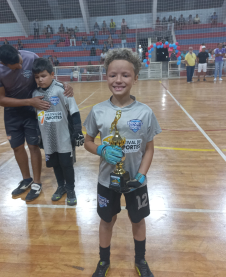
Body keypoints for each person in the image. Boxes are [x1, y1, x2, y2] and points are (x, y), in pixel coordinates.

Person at [84, 48, 161, 277]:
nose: (118, 80)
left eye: (125, 75)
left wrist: (142, 175)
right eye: (112, 75)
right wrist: (100, 149)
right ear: (106, 77)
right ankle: (103, 262)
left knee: (137, 220)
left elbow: (149, 147)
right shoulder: (97, 111)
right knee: (107, 220)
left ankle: (141, 260)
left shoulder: (145, 113)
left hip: (136, 181)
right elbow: (87, 142)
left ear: (135, 78)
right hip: (107, 181)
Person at [0, 45, 74, 201]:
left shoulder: (31, 56)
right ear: (3, 64)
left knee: (33, 145)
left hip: (34, 107)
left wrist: (62, 84)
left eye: (20, 62)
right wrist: (29, 101)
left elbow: (44, 74)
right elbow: (0, 99)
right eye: (16, 66)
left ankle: (37, 183)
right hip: (13, 109)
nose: (21, 66)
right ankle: (26, 179)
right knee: (17, 147)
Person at [32, 58, 84, 205]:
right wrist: (39, 135)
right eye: (37, 77)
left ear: (52, 74)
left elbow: (74, 111)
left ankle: (71, 189)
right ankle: (61, 186)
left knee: (66, 164)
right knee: (55, 163)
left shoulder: (61, 90)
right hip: (48, 138)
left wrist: (78, 131)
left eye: (43, 76)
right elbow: (37, 116)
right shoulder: (34, 94)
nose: (40, 80)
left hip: (64, 137)